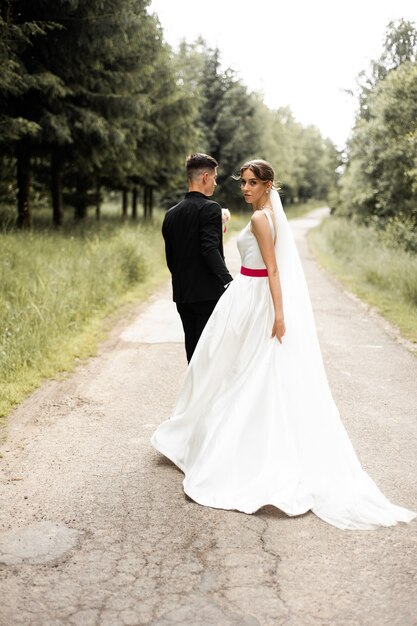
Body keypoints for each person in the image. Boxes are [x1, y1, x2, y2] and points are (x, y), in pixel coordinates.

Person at [151, 159, 416, 530]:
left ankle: (237, 450)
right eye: (242, 182)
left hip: (256, 297)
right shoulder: (264, 215)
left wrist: (278, 313)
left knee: (244, 373)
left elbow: (273, 269)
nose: (245, 188)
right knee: (243, 372)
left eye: (252, 183)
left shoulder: (261, 219)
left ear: (267, 185)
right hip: (252, 295)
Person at [162, 153, 233, 363]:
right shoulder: (210, 208)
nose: (215, 182)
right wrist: (228, 282)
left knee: (192, 351)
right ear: (205, 177)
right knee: (208, 355)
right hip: (208, 294)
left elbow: (171, 259)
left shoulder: (170, 214)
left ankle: (193, 394)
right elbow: (209, 248)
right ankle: (204, 395)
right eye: (214, 177)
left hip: (183, 294)